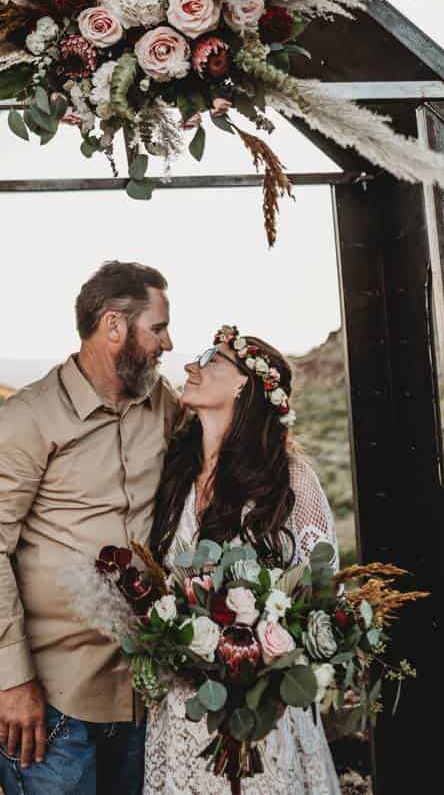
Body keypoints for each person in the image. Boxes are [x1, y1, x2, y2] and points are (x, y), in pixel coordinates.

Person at [0, 261, 179, 795]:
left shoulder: (163, 403)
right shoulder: (26, 420)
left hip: (141, 692)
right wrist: (14, 680)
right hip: (52, 700)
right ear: (113, 327)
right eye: (158, 327)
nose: (168, 343)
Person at [142, 328, 342, 795]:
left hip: (263, 712)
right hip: (183, 706)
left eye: (212, 359)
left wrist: (263, 659)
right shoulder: (174, 472)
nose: (193, 366)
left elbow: (322, 594)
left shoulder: (289, 480)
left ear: (243, 386)